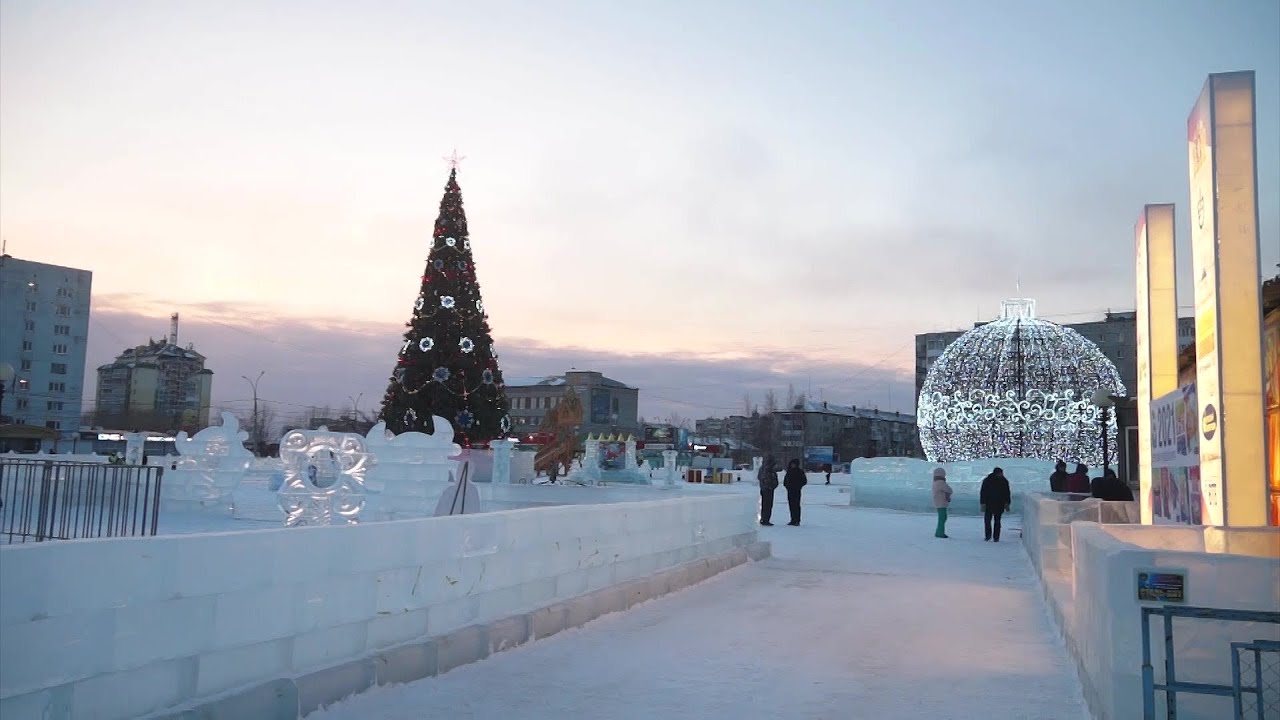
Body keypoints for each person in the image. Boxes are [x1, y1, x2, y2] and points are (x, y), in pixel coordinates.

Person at [979, 466, 1012, 542]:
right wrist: (1007, 503)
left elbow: (983, 492)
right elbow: (1007, 493)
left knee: (990, 521)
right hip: (997, 504)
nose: (1002, 474)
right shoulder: (1003, 481)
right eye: (1001, 473)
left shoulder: (987, 480)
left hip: (991, 504)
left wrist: (983, 502)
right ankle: (994, 537)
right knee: (995, 521)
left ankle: (990, 536)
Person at [783, 458, 807, 526]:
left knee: (796, 505)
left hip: (796, 490)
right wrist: (786, 486)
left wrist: (798, 486)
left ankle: (797, 520)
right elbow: (785, 480)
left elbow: (804, 481)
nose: (792, 465)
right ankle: (792, 519)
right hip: (790, 490)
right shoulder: (789, 471)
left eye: (794, 464)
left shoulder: (800, 471)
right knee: (791, 505)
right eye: (792, 464)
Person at [757, 455, 779, 526]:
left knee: (765, 505)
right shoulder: (768, 470)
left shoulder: (764, 469)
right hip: (767, 489)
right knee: (767, 505)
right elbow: (763, 479)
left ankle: (764, 519)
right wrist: (770, 485)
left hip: (766, 489)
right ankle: (765, 519)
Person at [932, 467, 953, 538]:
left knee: (942, 517)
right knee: (942, 518)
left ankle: (939, 532)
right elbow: (949, 490)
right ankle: (940, 532)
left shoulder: (935, 482)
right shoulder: (941, 483)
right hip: (941, 503)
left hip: (938, 502)